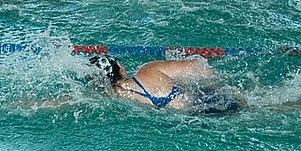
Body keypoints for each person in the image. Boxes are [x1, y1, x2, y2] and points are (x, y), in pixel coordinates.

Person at [88, 55, 244, 116]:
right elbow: (200, 67)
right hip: (207, 101)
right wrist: (218, 83)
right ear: (121, 67)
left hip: (193, 117)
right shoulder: (148, 70)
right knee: (251, 104)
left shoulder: (111, 97)